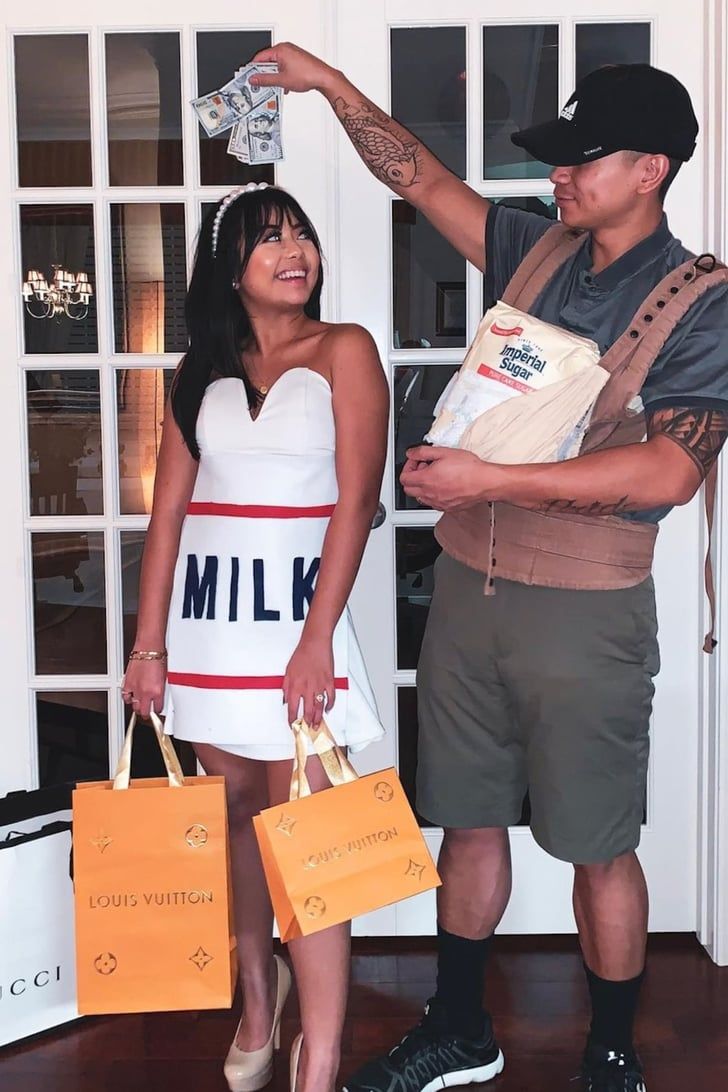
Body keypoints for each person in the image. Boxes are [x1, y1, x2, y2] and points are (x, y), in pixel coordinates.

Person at [250, 48, 728, 1092]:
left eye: (582, 158)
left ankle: (610, 1053)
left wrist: (487, 480)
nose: (560, 177)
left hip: (584, 612)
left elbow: (669, 468)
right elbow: (417, 178)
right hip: (467, 587)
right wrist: (328, 86)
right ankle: (460, 1027)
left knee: (594, 843)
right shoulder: (538, 251)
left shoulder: (699, 299)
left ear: (650, 168)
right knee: (465, 821)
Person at [121, 181, 389, 1092]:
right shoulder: (199, 371)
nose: (295, 251)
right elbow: (167, 519)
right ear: (229, 269)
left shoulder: (346, 351)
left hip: (298, 632)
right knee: (233, 824)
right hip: (208, 634)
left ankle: (321, 1060)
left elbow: (356, 504)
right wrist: (149, 648)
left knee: (311, 839)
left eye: (303, 235)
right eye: (269, 239)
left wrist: (316, 641)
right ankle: (258, 1000)